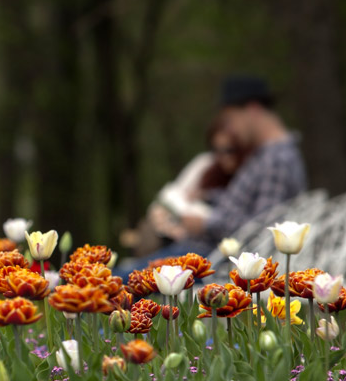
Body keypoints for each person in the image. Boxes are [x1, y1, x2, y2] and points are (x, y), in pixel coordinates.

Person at [115, 76, 307, 276]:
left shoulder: (276, 160)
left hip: (214, 261)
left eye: (231, 118)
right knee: (115, 276)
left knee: (113, 280)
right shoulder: (267, 155)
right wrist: (209, 197)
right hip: (205, 253)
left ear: (253, 109)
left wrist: (205, 224)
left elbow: (262, 229)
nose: (231, 128)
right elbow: (249, 208)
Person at [123, 115, 251, 256]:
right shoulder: (205, 164)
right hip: (167, 232)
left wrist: (205, 219)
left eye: (229, 150)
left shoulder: (247, 176)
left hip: (202, 247)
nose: (222, 156)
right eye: (216, 150)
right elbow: (174, 194)